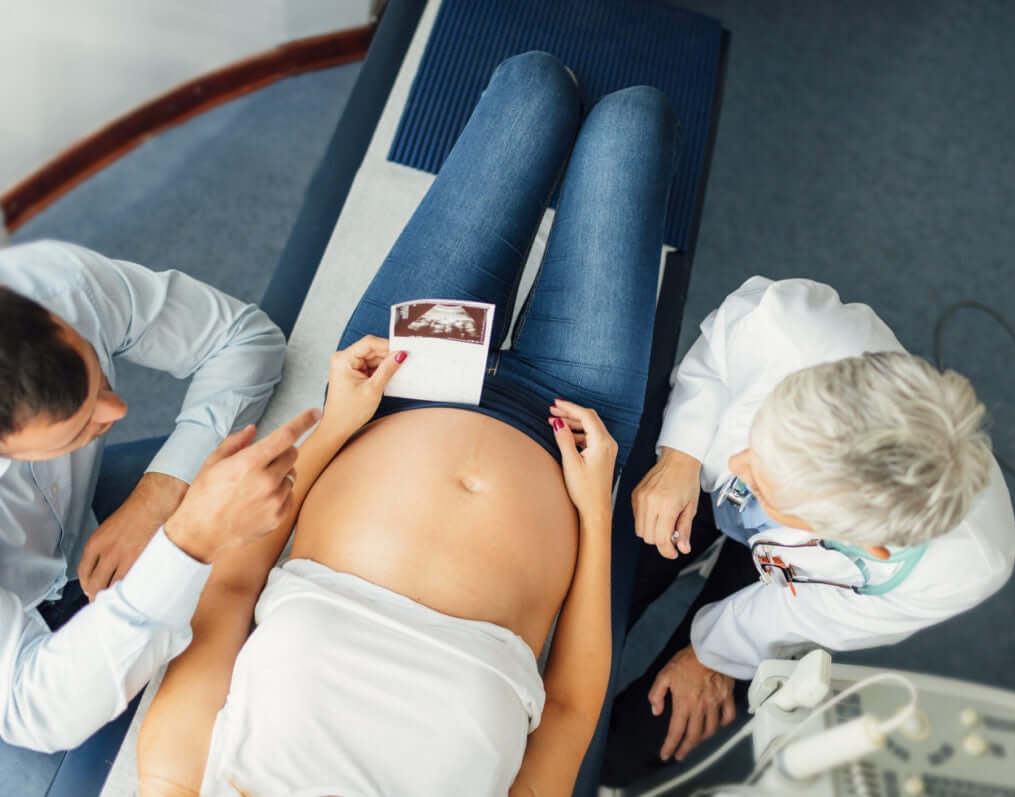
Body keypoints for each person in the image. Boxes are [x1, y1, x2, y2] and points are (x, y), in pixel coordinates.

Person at [136, 51, 678, 796]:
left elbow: (231, 585)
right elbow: (570, 708)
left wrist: (332, 423)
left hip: (399, 387)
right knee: (637, 121)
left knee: (535, 89)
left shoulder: (181, 776)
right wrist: (596, 510)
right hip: (570, 436)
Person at [599, 277, 1015, 785]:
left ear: (864, 543)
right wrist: (682, 455)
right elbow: (724, 346)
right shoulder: (798, 328)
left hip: (799, 584)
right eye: (760, 440)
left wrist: (711, 655)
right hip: (698, 472)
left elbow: (805, 613)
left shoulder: (958, 572)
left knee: (641, 745)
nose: (736, 461)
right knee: (591, 600)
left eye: (769, 479)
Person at [0, 240, 298, 755]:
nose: (118, 411)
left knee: (287, 474)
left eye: (99, 373)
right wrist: (186, 543)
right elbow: (34, 710)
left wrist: (160, 492)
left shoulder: (51, 282)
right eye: (78, 428)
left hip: (81, 518)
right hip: (19, 679)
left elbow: (244, 339)